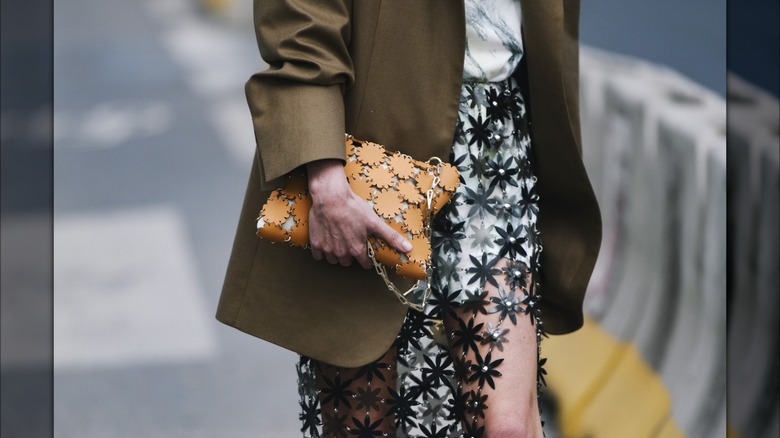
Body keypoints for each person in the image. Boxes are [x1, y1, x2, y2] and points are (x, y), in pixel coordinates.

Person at [216, 0, 602, 436]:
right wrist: (324, 175)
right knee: (363, 423)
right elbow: (301, 17)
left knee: (508, 426)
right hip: (370, 156)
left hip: (496, 151)